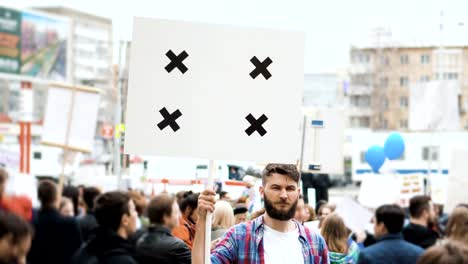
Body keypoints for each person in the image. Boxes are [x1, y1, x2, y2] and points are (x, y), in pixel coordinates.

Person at [192, 163, 329, 264]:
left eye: (290, 188)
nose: (283, 195)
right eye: (276, 188)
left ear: (298, 193)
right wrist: (203, 220)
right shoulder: (239, 236)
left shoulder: (315, 242)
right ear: (262, 192)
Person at [72, 191, 138, 264]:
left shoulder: (83, 250)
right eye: (134, 210)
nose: (136, 214)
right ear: (125, 220)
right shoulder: (123, 260)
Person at [28, 180, 83, 264]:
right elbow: (78, 249)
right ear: (56, 197)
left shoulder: (31, 222)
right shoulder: (70, 223)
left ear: (39, 197)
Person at [358, 204, 423, 264]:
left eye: (374, 223)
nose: (374, 227)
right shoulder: (419, 252)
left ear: (382, 226)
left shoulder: (367, 255)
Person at [135, 194, 191, 264]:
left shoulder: (140, 241)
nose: (179, 216)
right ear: (165, 217)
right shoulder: (177, 247)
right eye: (176, 212)